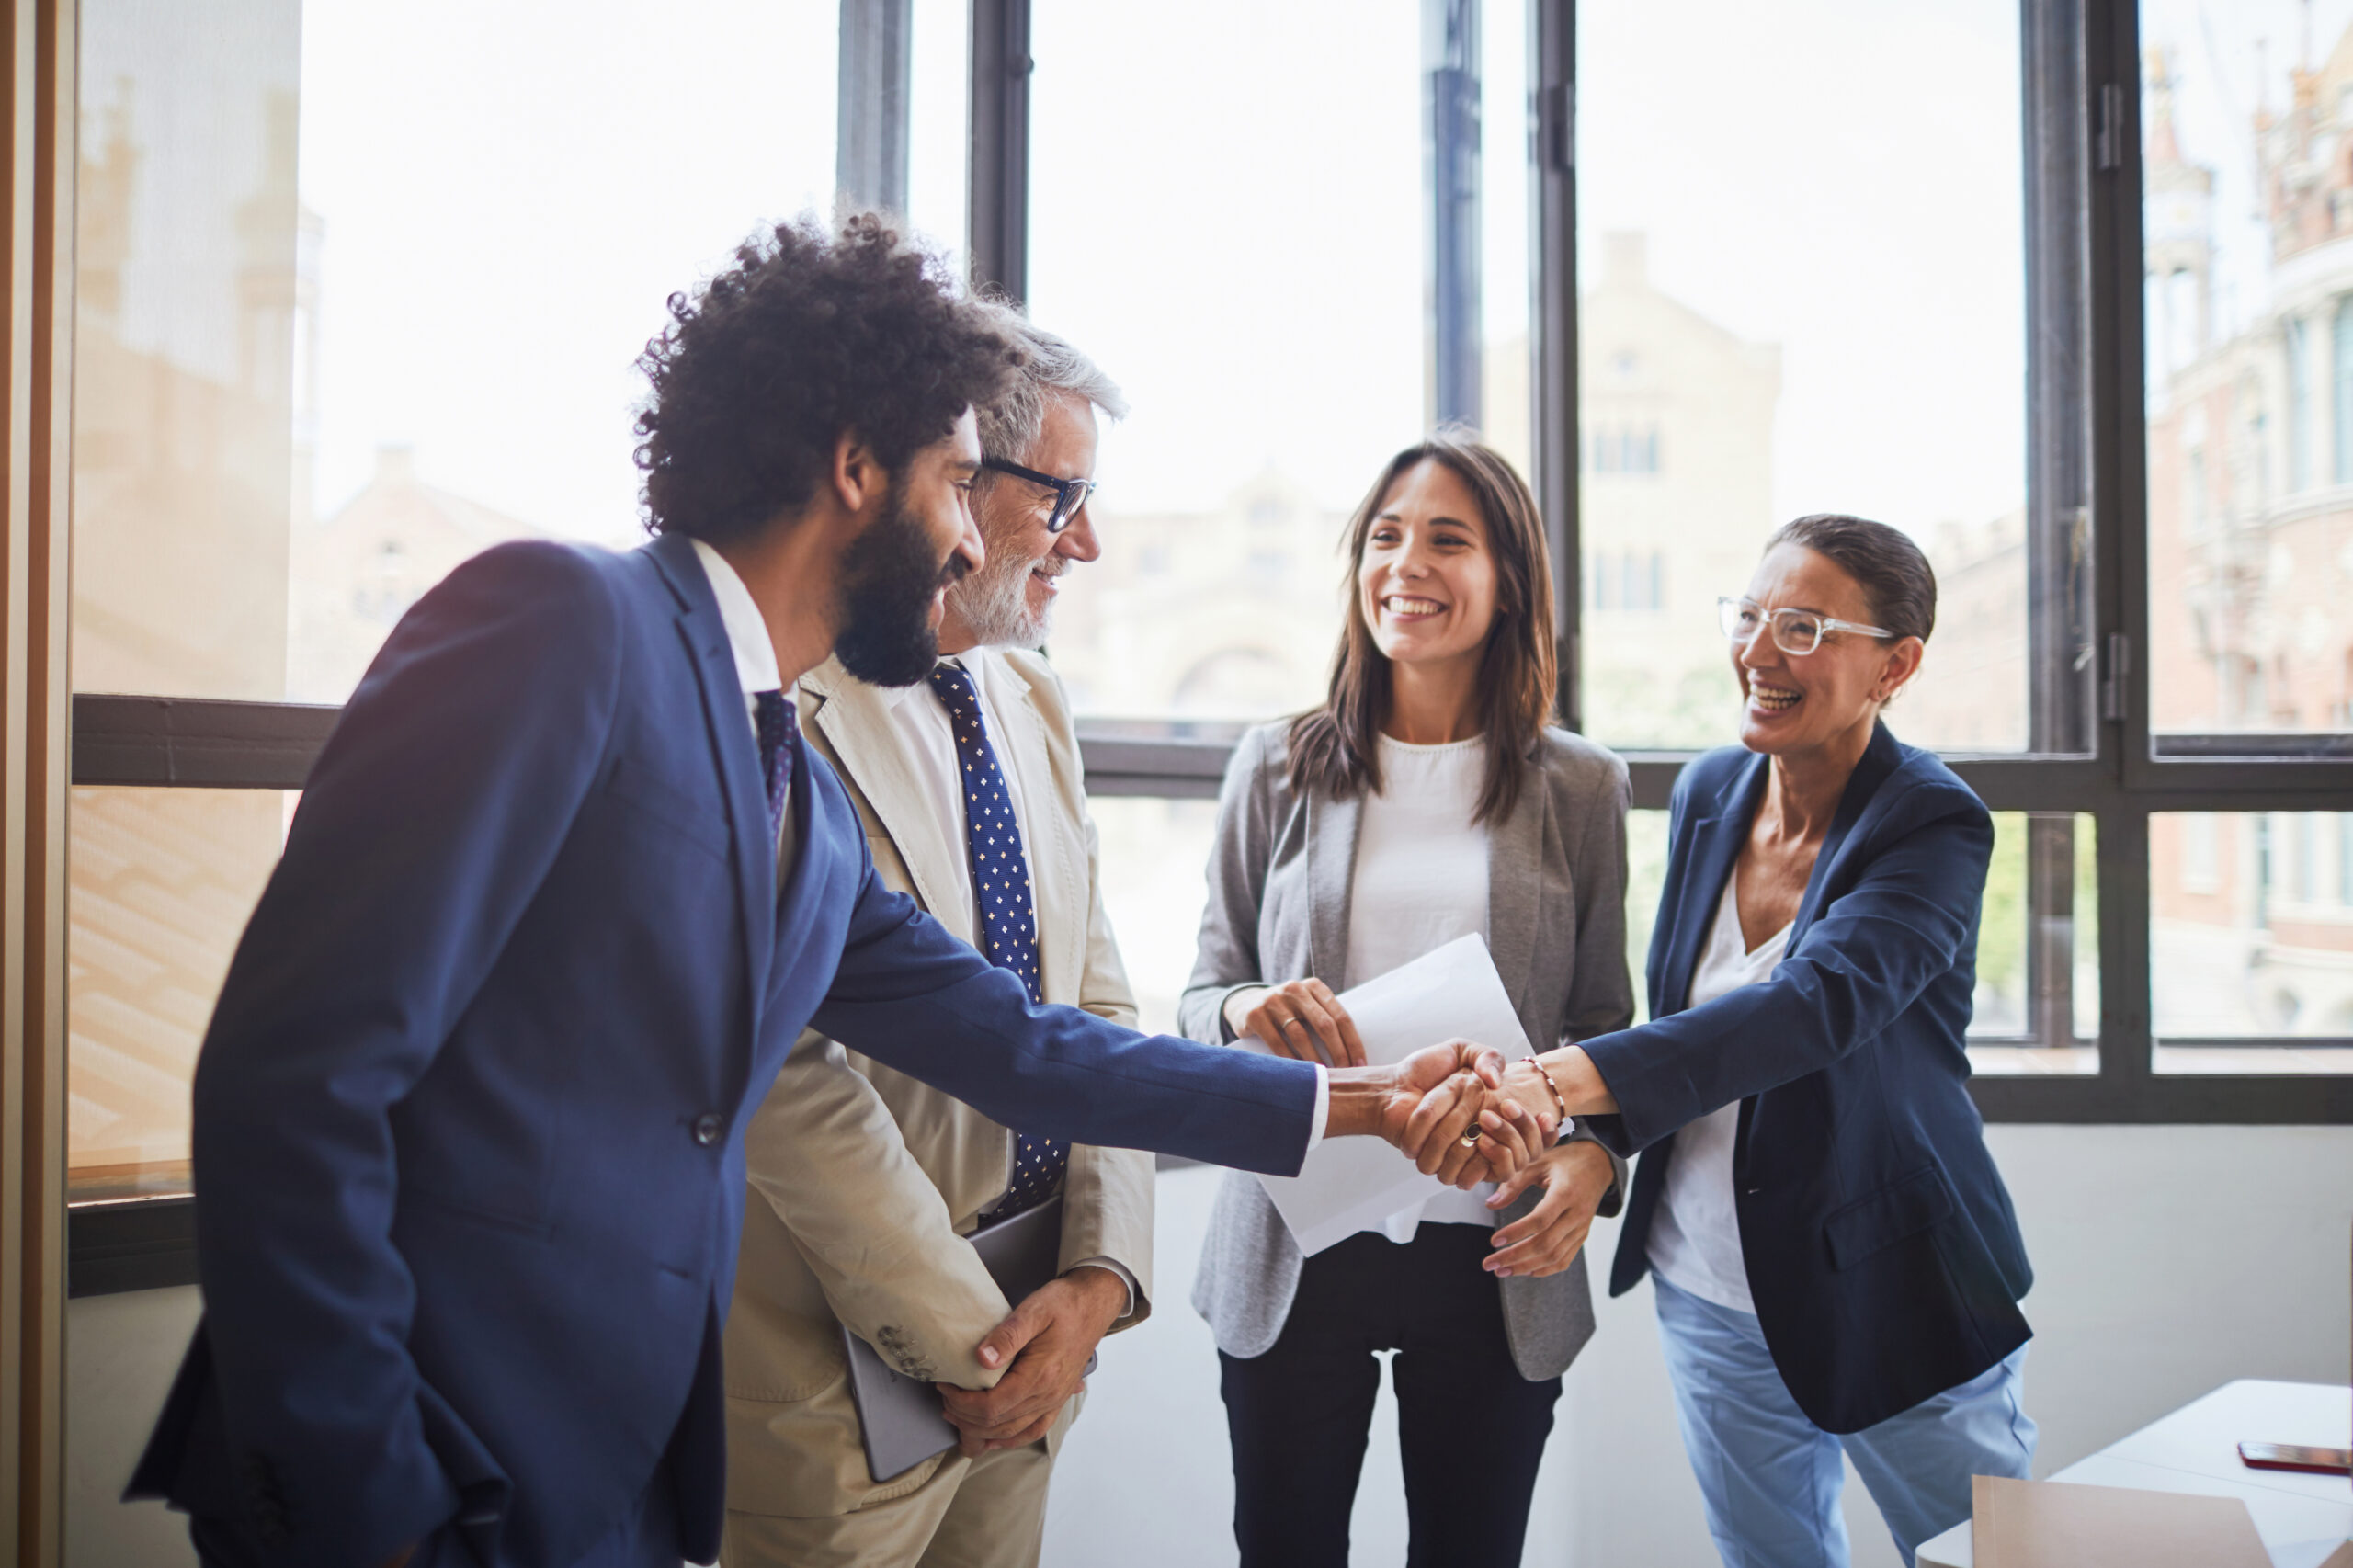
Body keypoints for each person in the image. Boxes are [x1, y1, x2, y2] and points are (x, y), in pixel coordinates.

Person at [124, 217, 1517, 1568]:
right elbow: (291, 1080)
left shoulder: (783, 770)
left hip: (607, 1477)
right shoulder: (560, 621)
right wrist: (367, 1503)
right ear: (857, 466)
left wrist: (1365, 1108)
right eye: (959, 482)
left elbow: (1023, 1043)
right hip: (424, 1469)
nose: (975, 543)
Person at [1483, 514, 2038, 1568]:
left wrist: (1562, 1079)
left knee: (1987, 1556)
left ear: (1896, 663)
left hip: (1893, 1280)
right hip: (1709, 1283)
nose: (1757, 650)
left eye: (1802, 626)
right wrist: (1599, 1139)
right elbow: (1686, 1028)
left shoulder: (1932, 822)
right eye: (1749, 616)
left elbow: (1816, 1005)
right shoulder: (1709, 791)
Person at [721, 309, 1145, 1567]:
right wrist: (976, 1339)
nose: (1090, 540)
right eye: (1062, 496)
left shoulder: (1030, 689)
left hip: (1043, 1327)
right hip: (836, 1371)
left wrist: (1101, 1281)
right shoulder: (778, 706)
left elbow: (1098, 1004)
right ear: (949, 475)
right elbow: (786, 1079)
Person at [1179, 433, 1631, 1568]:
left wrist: (1594, 1157)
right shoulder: (1274, 762)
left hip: (1492, 1245)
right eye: (1384, 536)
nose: (1405, 563)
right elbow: (1198, 991)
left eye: (1445, 537)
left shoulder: (1579, 783)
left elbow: (1608, 1028)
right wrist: (1243, 1010)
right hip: (1296, 1235)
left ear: (1507, 577)